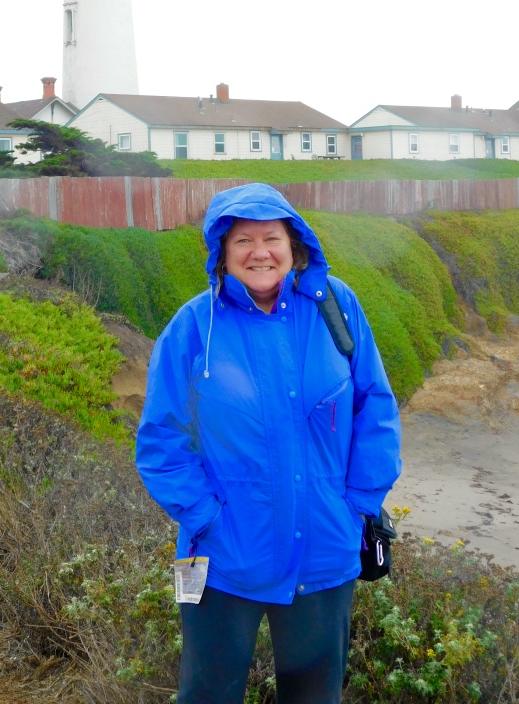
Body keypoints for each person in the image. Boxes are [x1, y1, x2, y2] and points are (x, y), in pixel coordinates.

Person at [136, 183, 401, 704]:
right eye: (243, 241)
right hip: (221, 558)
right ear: (221, 252)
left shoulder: (336, 307)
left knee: (314, 697)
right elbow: (162, 440)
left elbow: (376, 408)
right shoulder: (194, 326)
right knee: (207, 694)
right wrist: (206, 519)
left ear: (294, 245)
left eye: (271, 238)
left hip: (324, 549)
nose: (260, 252)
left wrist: (356, 507)